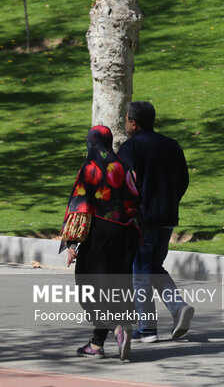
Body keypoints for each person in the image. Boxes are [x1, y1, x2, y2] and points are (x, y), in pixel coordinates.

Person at [61, 125, 141, 360]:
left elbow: (80, 204)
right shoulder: (125, 166)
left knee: (89, 287)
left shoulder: (91, 167)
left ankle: (116, 326)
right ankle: (97, 344)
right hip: (128, 234)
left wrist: (72, 243)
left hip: (101, 233)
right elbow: (137, 201)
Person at [118, 101, 193, 343]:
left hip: (142, 220)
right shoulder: (172, 145)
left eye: (127, 119)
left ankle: (147, 328)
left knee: (139, 271)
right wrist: (171, 201)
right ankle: (178, 307)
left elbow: (122, 184)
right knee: (153, 267)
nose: (126, 122)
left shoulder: (130, 148)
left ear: (133, 123)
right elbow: (183, 180)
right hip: (167, 217)